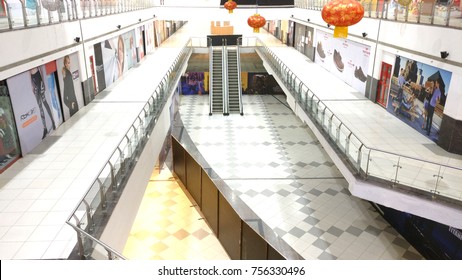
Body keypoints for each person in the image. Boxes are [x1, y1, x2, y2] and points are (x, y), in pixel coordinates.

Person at [30, 67, 56, 139]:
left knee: (45, 103)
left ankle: (53, 122)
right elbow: (29, 72)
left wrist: (43, 82)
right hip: (34, 80)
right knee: (40, 106)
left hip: (38, 78)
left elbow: (40, 69)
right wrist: (32, 85)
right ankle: (45, 128)